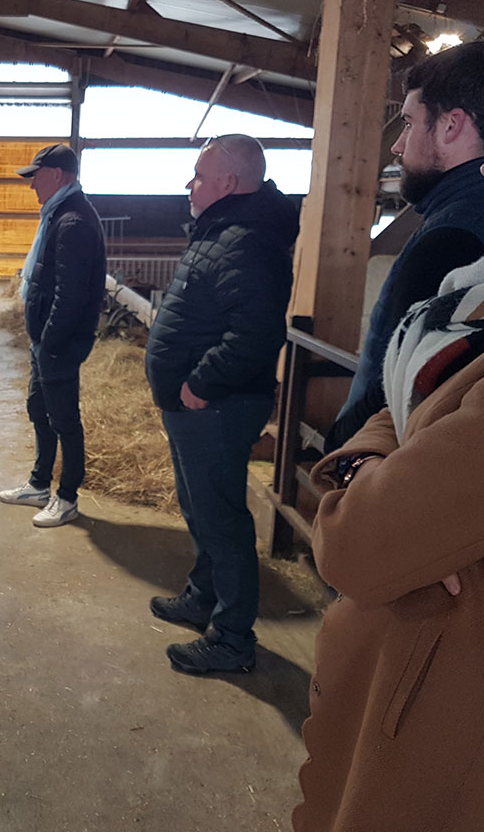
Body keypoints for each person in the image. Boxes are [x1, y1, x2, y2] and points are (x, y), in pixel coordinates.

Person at [295, 34, 484, 832]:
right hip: (440, 687)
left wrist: (365, 480)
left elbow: (363, 544)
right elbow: (407, 406)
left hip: (470, 732)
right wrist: (399, 473)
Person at [144, 135, 298, 674]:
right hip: (198, 409)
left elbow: (255, 335)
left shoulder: (248, 241)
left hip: (216, 407)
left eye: (199, 175)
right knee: (200, 509)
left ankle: (232, 638)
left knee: (223, 520)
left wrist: (200, 385)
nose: (190, 184)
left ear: (229, 183)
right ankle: (202, 596)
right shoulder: (226, 231)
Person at [326, 40, 484, 451]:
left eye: (409, 123)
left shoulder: (451, 240)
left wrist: (343, 448)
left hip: (392, 461)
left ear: (451, 126)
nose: (398, 144)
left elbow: (402, 381)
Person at [0, 144, 106, 528]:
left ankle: (67, 496)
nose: (31, 186)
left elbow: (70, 294)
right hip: (44, 338)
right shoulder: (59, 214)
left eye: (36, 177)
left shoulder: (72, 221)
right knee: (39, 410)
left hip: (57, 342)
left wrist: (52, 342)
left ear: (57, 175)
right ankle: (40, 483)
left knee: (64, 419)